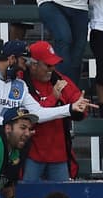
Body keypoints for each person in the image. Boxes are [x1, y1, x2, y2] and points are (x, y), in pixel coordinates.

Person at [0, 40, 87, 151]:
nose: (26, 65)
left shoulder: (19, 84)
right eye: (23, 60)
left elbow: (38, 112)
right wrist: (8, 124)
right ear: (11, 59)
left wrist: (70, 109)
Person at [23, 42, 89, 181]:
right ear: (33, 64)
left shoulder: (60, 80)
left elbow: (78, 102)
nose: (52, 69)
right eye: (48, 65)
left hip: (58, 156)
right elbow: (34, 115)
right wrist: (53, 97)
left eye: (54, 64)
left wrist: (81, 108)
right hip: (31, 154)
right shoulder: (20, 82)